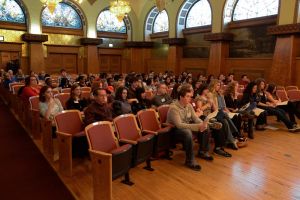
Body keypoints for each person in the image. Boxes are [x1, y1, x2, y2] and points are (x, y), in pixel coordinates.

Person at [166, 84, 211, 171]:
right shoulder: (173, 108)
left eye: (191, 96)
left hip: (185, 128)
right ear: (181, 97)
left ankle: (203, 151)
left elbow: (195, 118)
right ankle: (190, 160)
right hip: (173, 130)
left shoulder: (189, 105)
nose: (190, 98)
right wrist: (197, 126)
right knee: (187, 132)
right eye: (188, 96)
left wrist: (202, 124)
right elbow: (179, 125)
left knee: (206, 128)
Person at [194, 84, 232, 157]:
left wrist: (212, 102)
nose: (208, 91)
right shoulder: (199, 98)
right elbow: (199, 110)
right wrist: (207, 104)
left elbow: (215, 109)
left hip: (211, 115)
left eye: (208, 90)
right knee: (219, 122)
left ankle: (219, 147)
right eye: (206, 90)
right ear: (202, 90)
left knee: (222, 122)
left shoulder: (208, 97)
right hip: (203, 116)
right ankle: (218, 147)